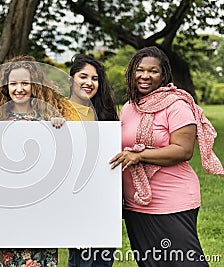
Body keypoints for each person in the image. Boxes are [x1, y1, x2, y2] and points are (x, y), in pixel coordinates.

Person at [109, 46, 224, 266]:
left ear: (163, 76)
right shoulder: (129, 107)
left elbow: (183, 150)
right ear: (132, 72)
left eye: (153, 71)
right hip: (137, 203)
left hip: (172, 199)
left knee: (185, 262)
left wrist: (141, 155)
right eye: (139, 70)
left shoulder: (176, 105)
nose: (145, 76)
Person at [0, 55, 78, 267]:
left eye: (25, 83)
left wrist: (60, 125)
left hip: (41, 208)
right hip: (5, 209)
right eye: (13, 83)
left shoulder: (49, 119)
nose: (19, 88)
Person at [67, 54, 118, 267]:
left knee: (104, 259)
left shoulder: (104, 113)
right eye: (83, 76)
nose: (89, 83)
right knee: (82, 261)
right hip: (74, 199)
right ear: (71, 80)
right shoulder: (57, 111)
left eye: (95, 78)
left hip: (103, 197)